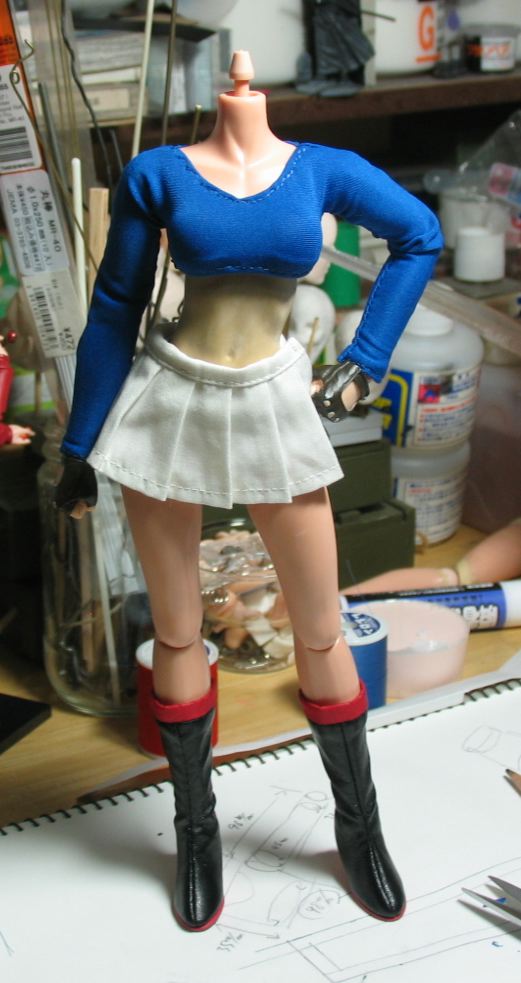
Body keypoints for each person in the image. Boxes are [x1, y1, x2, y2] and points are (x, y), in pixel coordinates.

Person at [55, 51, 443, 932]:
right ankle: (197, 834)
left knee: (319, 624)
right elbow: (115, 306)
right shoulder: (158, 173)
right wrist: (81, 446)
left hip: (272, 397)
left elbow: (419, 235)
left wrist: (366, 357)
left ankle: (358, 826)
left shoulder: (321, 169)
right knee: (178, 629)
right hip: (171, 398)